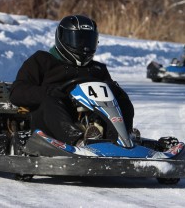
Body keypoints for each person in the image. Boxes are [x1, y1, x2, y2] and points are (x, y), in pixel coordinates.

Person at [9, 15, 134, 146]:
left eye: (88, 40)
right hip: (50, 120)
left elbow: (112, 96)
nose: (84, 46)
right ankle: (78, 142)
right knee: (49, 100)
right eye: (78, 40)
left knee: (121, 98)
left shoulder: (97, 69)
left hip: (89, 119)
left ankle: (121, 139)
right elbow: (17, 93)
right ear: (62, 37)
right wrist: (50, 91)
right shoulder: (41, 61)